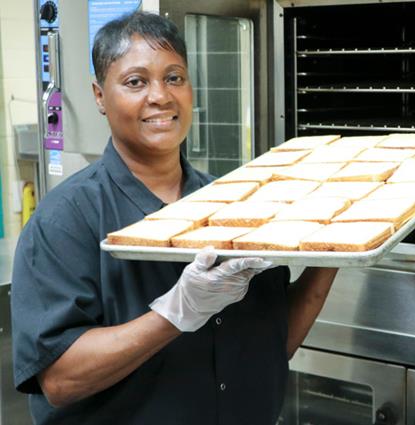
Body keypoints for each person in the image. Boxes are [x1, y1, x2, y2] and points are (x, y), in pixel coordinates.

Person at [11, 11, 338, 425]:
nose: (160, 96)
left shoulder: (235, 204)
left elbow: (275, 345)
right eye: (135, 82)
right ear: (98, 95)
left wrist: (338, 246)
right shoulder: (65, 221)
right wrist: (175, 313)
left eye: (174, 78)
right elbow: (59, 380)